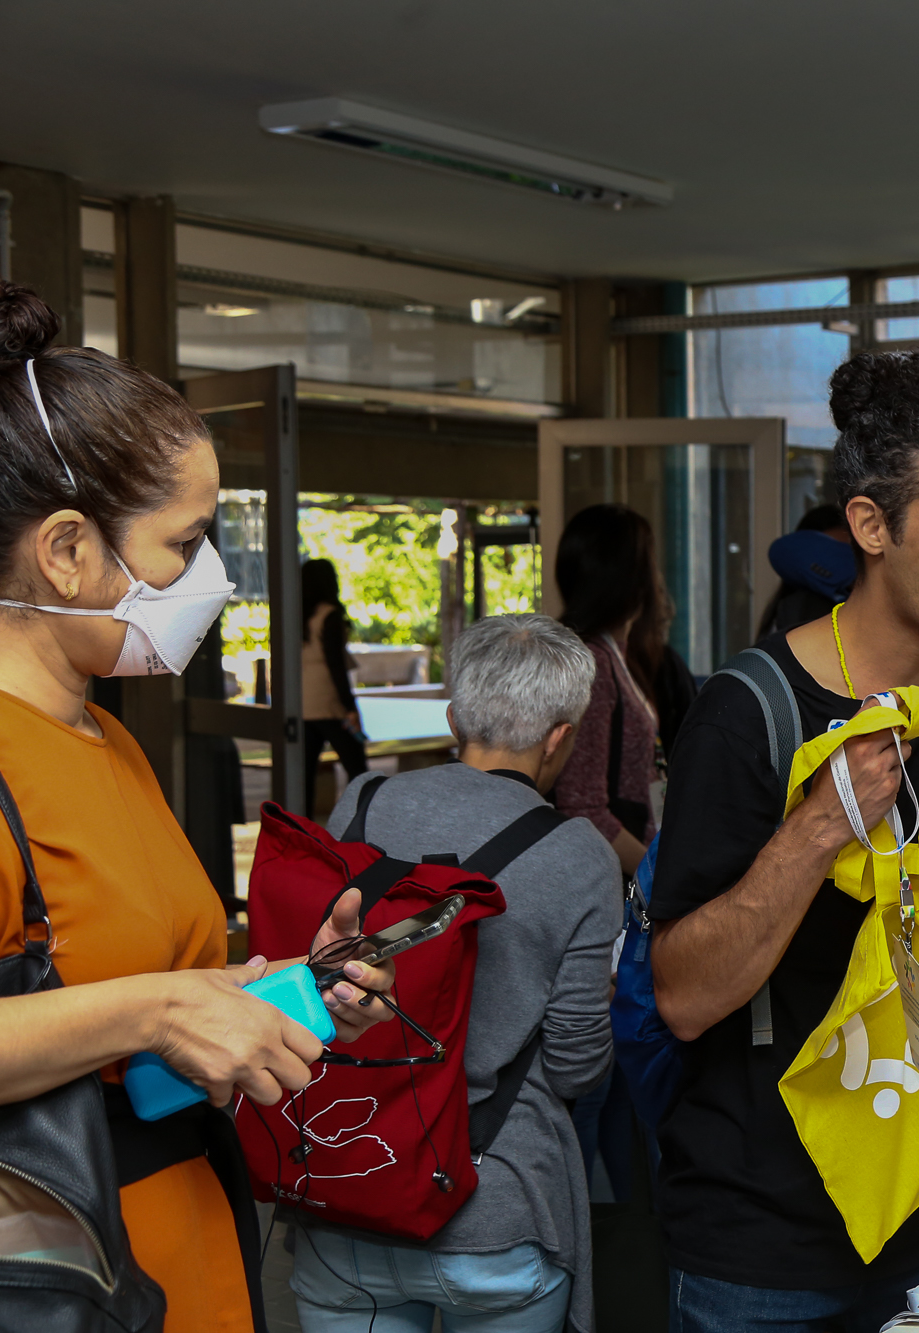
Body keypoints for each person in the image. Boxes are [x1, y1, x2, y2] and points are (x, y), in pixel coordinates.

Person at [0, 273, 395, 1332]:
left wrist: (272, 991)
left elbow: (111, 989)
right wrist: (157, 1008)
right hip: (50, 1276)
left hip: (178, 1247)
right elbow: (126, 1006)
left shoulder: (103, 734)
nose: (210, 577)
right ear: (66, 553)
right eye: (184, 540)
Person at [649, 350, 919, 1333]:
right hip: (761, 1241)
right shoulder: (746, 714)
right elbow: (681, 994)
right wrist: (818, 831)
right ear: (870, 528)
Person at [293, 613, 620, 1333]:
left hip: (351, 1182)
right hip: (497, 1207)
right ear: (559, 735)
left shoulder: (364, 802)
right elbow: (573, 1065)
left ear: (452, 716)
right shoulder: (580, 854)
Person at [554, 502, 670, 871]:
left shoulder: (614, 654)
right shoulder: (594, 664)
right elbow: (583, 807)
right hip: (615, 873)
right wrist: (657, 878)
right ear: (630, 578)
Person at [300, 557, 367, 811]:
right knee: (357, 766)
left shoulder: (298, 615)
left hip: (303, 702)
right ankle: (360, 820)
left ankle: (302, 827)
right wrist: (349, 707)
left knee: (304, 773)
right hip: (328, 701)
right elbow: (336, 666)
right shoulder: (329, 616)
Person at [758, 502, 856, 641]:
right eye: (830, 554)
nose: (844, 562)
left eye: (849, 551)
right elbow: (782, 550)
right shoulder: (802, 608)